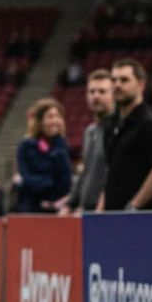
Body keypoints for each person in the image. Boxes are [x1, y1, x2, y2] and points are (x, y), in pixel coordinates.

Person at [100, 58, 152, 212]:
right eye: (114, 80)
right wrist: (99, 213)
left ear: (141, 85)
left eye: (124, 80)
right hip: (113, 216)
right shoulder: (111, 125)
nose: (117, 85)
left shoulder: (151, 124)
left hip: (142, 220)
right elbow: (111, 174)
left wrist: (133, 207)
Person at [60, 69, 113, 215]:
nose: (96, 96)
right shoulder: (89, 132)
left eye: (102, 92)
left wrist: (99, 210)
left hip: (108, 213)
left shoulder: (119, 130)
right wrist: (69, 205)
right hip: (87, 211)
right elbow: (85, 173)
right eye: (92, 91)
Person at [14, 98, 73, 213]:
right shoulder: (26, 146)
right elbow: (27, 179)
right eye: (50, 117)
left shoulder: (62, 144)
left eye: (58, 116)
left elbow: (65, 181)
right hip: (30, 207)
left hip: (57, 208)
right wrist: (51, 181)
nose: (55, 121)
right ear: (40, 121)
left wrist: (48, 181)